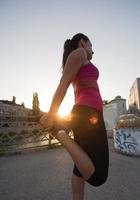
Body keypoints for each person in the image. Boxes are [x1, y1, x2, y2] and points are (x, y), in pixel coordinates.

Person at [40, 33, 109, 200]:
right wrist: (51, 114)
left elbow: (76, 91)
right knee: (98, 176)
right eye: (91, 45)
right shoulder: (80, 53)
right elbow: (63, 84)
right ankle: (59, 132)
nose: (93, 50)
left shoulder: (79, 58)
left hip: (86, 113)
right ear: (82, 43)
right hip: (88, 114)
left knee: (79, 171)